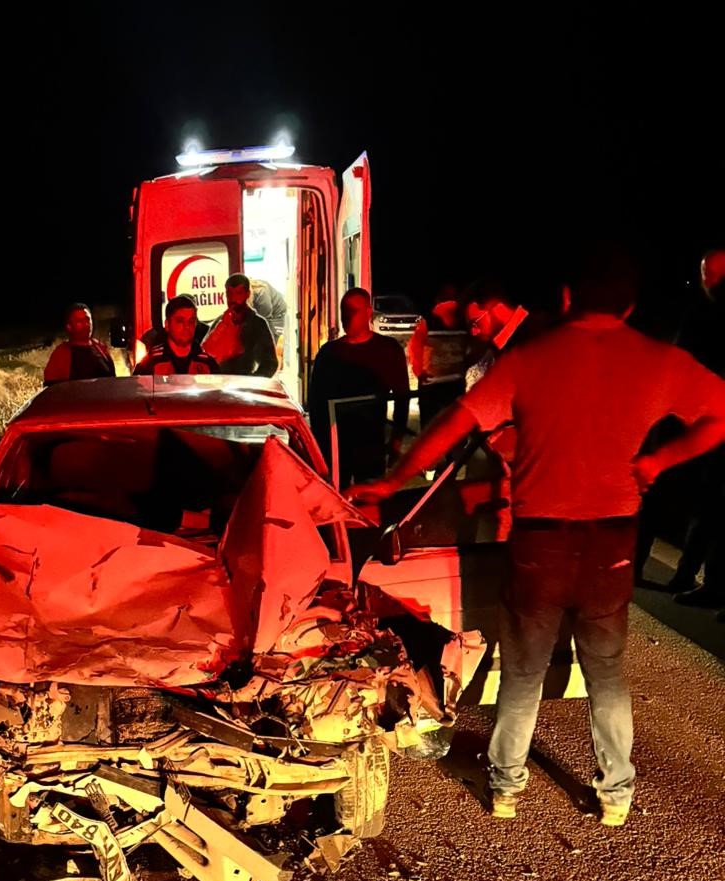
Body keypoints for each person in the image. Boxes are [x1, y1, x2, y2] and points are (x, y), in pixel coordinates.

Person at [353, 244, 725, 827]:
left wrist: (395, 477)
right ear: (629, 306)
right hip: (611, 542)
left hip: (540, 541)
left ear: (568, 297)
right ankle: (616, 794)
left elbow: (457, 422)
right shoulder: (660, 361)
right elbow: (720, 413)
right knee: (607, 669)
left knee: (522, 670)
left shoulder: (532, 360)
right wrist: (657, 463)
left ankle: (506, 787)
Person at [665, 249, 725, 610]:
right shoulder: (704, 313)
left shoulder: (707, 315)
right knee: (711, 503)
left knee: (712, 503)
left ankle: (706, 580)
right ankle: (695, 574)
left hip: (713, 420)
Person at [308, 287, 410, 486]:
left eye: (353, 311)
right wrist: (317, 446)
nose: (347, 317)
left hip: (371, 445)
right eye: (344, 311)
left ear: (368, 313)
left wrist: (397, 439)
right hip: (335, 447)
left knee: (370, 502)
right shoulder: (329, 353)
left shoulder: (387, 351)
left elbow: (401, 396)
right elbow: (315, 401)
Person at [409, 283, 466, 428]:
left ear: (438, 299)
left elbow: (414, 349)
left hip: (430, 384)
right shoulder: (464, 321)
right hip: (455, 384)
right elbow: (477, 346)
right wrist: (464, 365)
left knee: (430, 430)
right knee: (455, 431)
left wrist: (419, 373)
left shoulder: (427, 321)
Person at [201, 274, 279, 376]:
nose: (233, 298)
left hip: (245, 385)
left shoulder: (257, 324)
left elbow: (270, 364)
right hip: (219, 385)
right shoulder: (220, 321)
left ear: (247, 294)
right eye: (229, 294)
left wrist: (251, 384)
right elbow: (204, 355)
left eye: (238, 293)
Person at [135, 296, 220, 376]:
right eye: (180, 321)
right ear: (167, 325)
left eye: (191, 321)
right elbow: (136, 389)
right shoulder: (151, 362)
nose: (187, 326)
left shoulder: (207, 363)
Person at [42, 303, 116, 384]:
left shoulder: (101, 349)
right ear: (69, 327)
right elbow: (51, 388)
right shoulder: (61, 355)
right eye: (79, 321)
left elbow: (113, 382)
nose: (86, 324)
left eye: (87, 319)